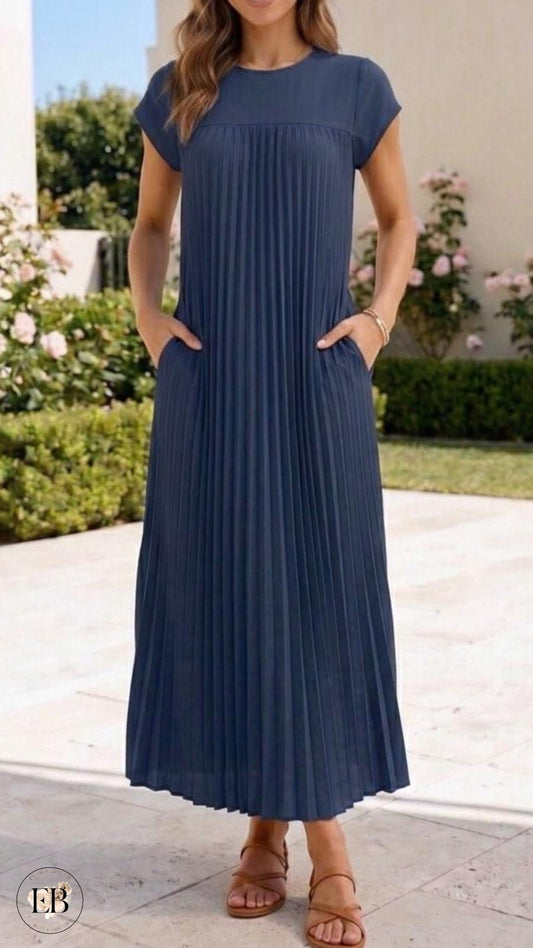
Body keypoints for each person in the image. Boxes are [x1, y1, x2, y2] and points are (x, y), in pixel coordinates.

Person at [126, 1, 416, 945]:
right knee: (234, 589)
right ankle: (267, 830)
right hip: (211, 382)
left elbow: (398, 220)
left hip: (315, 379)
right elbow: (149, 226)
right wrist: (151, 325)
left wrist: (375, 323)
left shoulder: (356, 87)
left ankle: (311, 837)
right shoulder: (182, 92)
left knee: (320, 592)